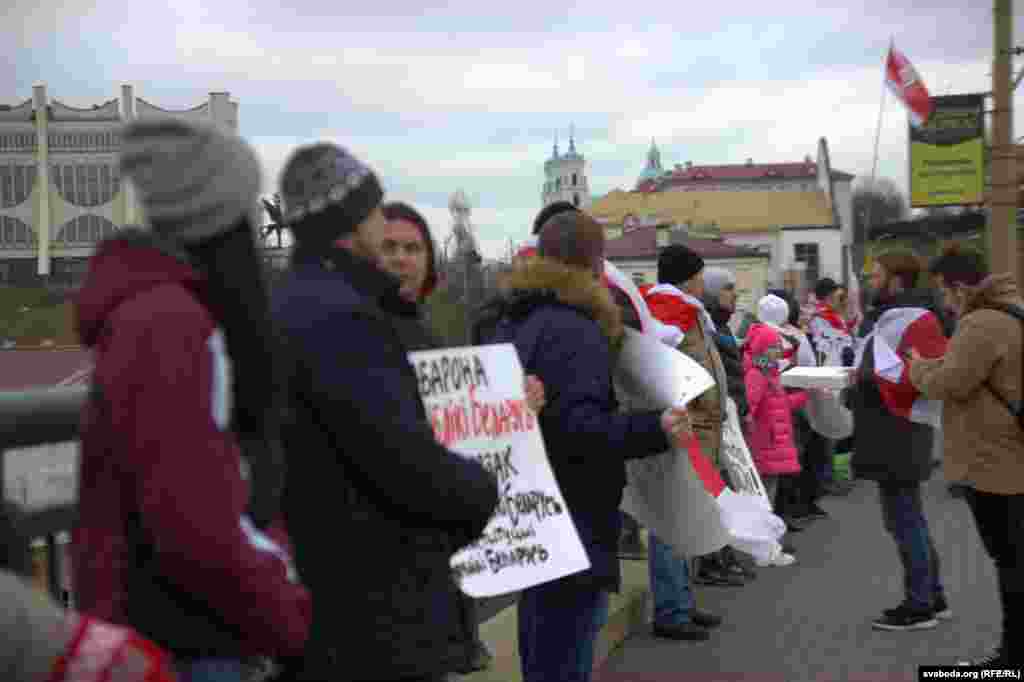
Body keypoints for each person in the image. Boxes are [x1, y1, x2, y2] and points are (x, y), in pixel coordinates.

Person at [72, 119, 310, 682]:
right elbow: (196, 523)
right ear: (219, 213)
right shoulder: (171, 323)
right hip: (192, 647)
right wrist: (287, 610)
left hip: (177, 638)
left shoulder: (156, 313)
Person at [272, 143, 499, 682]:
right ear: (353, 221)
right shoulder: (345, 318)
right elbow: (400, 461)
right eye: (375, 210)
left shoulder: (292, 300)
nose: (382, 222)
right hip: (373, 610)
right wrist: (479, 493)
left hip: (328, 593)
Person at [473, 209, 693, 682]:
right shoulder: (577, 328)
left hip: (528, 509)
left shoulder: (510, 319)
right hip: (576, 514)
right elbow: (582, 430)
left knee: (540, 638)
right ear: (595, 263)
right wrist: (654, 428)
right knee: (566, 650)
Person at [375, 200, 546, 675]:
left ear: (429, 260)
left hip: (428, 546)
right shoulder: (353, 328)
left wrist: (516, 408)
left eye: (413, 248)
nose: (401, 258)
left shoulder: (424, 333)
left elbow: (456, 426)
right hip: (374, 556)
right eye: (389, 247)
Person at [908, 244, 1024, 666]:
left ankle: (1011, 661)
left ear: (959, 288)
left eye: (943, 291)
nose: (944, 301)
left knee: (1010, 563)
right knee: (1014, 561)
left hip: (996, 463)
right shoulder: (1012, 310)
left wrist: (917, 367)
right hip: (1011, 453)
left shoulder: (980, 322)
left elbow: (952, 383)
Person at [850, 251, 950, 632]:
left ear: (896, 280)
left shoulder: (916, 319)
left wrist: (864, 378)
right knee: (908, 518)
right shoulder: (894, 315)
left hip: (900, 427)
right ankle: (932, 596)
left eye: (876, 275)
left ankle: (919, 605)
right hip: (892, 428)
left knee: (904, 520)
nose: (870, 281)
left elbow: (920, 374)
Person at [643, 245, 750, 587]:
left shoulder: (688, 313)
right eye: (700, 277)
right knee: (674, 518)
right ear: (687, 279)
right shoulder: (670, 314)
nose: (703, 285)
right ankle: (674, 603)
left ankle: (683, 596)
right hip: (687, 431)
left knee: (691, 514)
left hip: (701, 430)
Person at [741, 323, 805, 567]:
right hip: (765, 444)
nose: (778, 351)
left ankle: (767, 546)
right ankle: (764, 549)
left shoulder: (767, 372)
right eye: (773, 346)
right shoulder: (758, 374)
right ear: (761, 349)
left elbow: (780, 404)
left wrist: (806, 394)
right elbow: (749, 409)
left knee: (766, 497)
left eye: (778, 346)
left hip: (769, 443)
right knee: (763, 499)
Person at [703, 267, 748, 417]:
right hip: (721, 419)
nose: (735, 294)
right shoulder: (705, 329)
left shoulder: (721, 327)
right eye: (728, 288)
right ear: (710, 293)